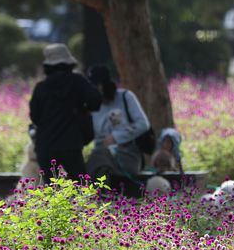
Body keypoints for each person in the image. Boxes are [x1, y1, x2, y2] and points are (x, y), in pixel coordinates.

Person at [29, 44, 102, 183]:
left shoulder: (41, 88)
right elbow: (96, 101)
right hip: (71, 144)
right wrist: (81, 109)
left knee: (51, 190)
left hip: (46, 146)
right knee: (81, 186)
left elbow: (35, 117)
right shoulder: (77, 82)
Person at [85, 65, 150, 194]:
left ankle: (97, 199)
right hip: (101, 154)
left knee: (97, 160)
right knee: (99, 165)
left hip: (127, 153)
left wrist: (116, 137)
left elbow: (143, 124)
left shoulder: (126, 97)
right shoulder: (91, 106)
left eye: (98, 86)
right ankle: (100, 200)